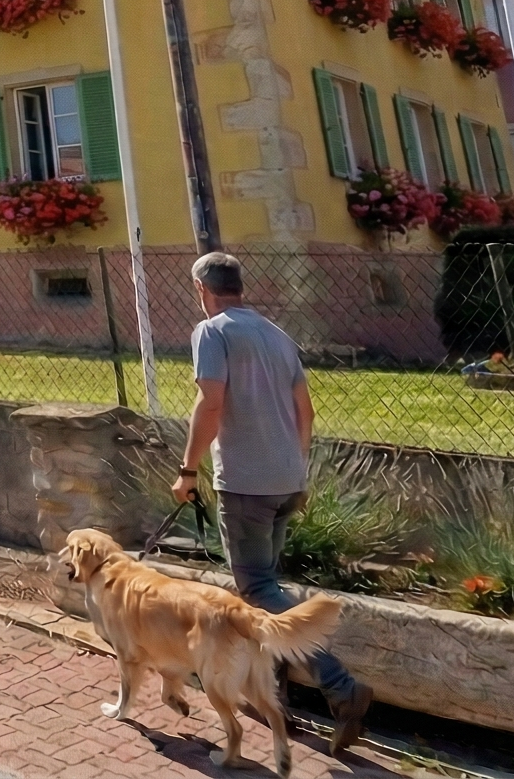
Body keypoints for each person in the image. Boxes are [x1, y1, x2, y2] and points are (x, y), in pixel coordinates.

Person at [173, 251, 373, 756]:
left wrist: (188, 470)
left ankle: (341, 687)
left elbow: (210, 402)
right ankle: (275, 699)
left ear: (202, 289)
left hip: (246, 483)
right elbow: (306, 411)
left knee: (257, 588)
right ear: (239, 286)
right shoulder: (278, 336)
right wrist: (296, 469)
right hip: (286, 481)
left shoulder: (211, 332)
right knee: (267, 590)